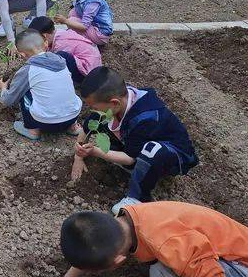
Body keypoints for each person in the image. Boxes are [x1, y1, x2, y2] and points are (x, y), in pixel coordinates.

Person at [42, 202, 248, 277]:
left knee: (162, 272)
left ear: (119, 262)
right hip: (212, 245)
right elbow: (91, 242)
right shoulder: (122, 219)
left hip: (243, 268)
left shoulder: (167, 244)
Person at [73, 67, 198, 214]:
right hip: (137, 142)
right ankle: (138, 167)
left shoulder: (145, 118)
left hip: (174, 155)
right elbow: (90, 125)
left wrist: (95, 151)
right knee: (103, 121)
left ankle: (137, 197)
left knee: (152, 151)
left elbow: (129, 158)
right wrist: (78, 156)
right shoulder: (118, 102)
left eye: (94, 107)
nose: (93, 110)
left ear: (114, 103)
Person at [0, 30, 82, 140]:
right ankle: (73, 127)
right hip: (73, 116)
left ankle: (32, 130)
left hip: (46, 123)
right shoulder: (62, 61)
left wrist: (3, 88)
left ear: (22, 54)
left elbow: (9, 101)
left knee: (24, 90)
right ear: (46, 43)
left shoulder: (28, 70)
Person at [28, 16, 102, 84]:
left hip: (89, 74)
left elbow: (53, 61)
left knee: (60, 57)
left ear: (44, 36)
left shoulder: (60, 43)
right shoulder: (59, 34)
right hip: (91, 65)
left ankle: (72, 82)